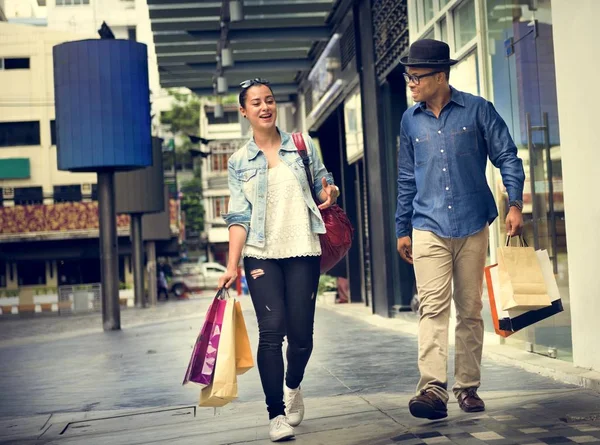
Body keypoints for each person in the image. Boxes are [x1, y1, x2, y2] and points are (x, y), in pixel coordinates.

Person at [395, 39, 525, 420]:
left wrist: (514, 203)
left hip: (472, 224)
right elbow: (406, 176)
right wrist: (403, 227)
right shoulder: (409, 120)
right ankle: (432, 389)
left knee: (469, 309)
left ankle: (467, 387)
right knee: (432, 307)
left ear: (440, 76)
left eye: (416, 76)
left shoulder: (479, 110)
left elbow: (507, 156)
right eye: (408, 75)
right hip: (427, 226)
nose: (410, 83)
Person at [217, 78, 340, 442]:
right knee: (272, 330)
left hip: (302, 247)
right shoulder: (239, 161)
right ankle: (275, 414)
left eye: (269, 100)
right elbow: (238, 216)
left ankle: (293, 385)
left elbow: (323, 182)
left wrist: (329, 192)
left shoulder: (301, 145)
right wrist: (230, 265)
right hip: (260, 254)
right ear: (244, 111)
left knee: (301, 337)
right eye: (255, 103)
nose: (264, 107)